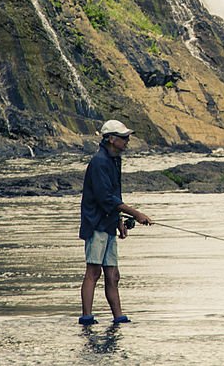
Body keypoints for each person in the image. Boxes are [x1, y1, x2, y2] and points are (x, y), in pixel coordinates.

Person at [78, 119, 153, 325]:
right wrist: (136, 213)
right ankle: (86, 318)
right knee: (93, 272)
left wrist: (119, 220)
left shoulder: (114, 159)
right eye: (123, 138)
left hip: (108, 223)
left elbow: (113, 195)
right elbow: (105, 198)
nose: (127, 141)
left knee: (113, 274)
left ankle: (119, 317)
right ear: (111, 139)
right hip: (95, 224)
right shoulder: (100, 161)